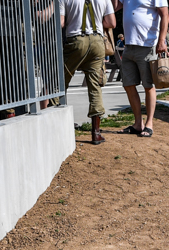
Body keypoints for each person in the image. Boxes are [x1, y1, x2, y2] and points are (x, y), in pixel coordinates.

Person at [60, 0, 116, 144]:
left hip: (76, 41)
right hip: (98, 41)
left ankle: (57, 126)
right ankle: (96, 133)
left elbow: (60, 22)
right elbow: (111, 23)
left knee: (60, 82)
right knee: (95, 86)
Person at [115, 0, 168, 137]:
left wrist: (161, 40)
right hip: (129, 45)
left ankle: (149, 124)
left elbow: (165, 15)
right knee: (128, 84)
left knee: (148, 85)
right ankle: (138, 123)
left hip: (147, 44)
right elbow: (114, 8)